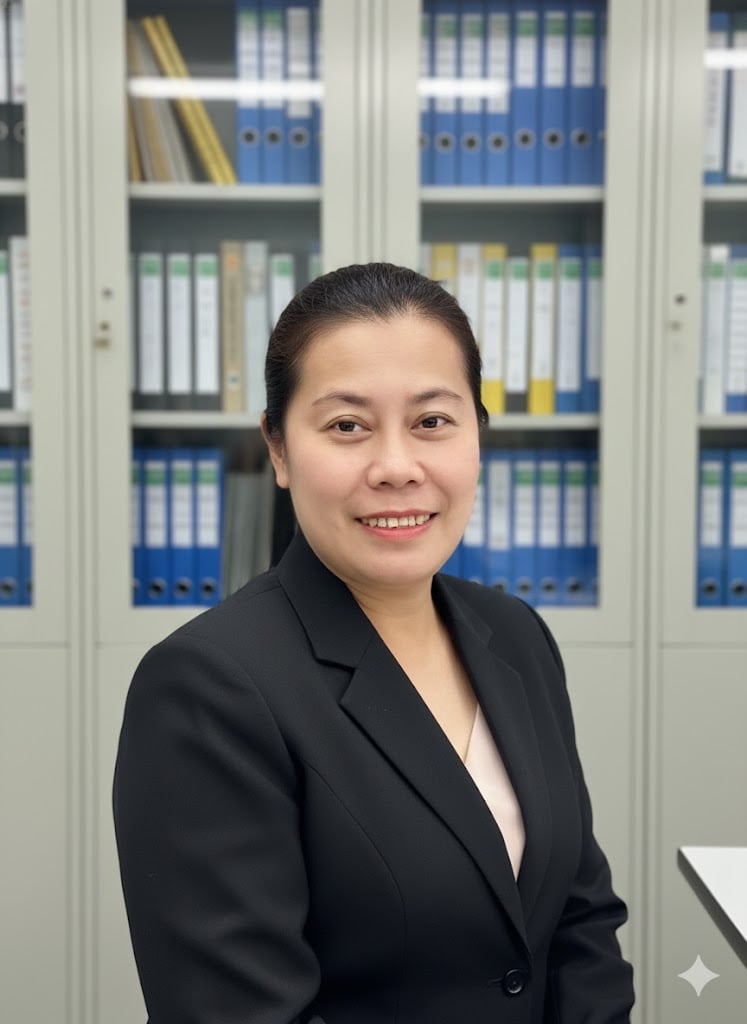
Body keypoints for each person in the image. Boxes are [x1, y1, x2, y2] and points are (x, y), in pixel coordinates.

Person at [113, 262, 635, 1024]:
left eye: (432, 422)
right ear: (278, 450)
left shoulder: (515, 636)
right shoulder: (208, 688)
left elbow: (579, 922)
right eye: (347, 427)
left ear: (477, 439)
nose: (396, 468)